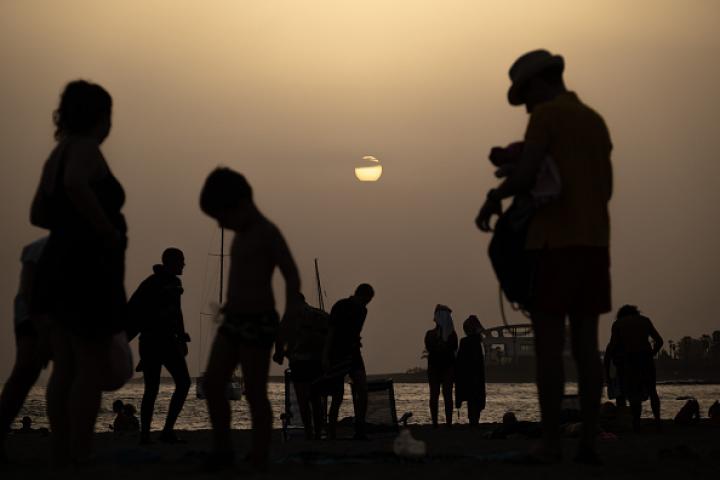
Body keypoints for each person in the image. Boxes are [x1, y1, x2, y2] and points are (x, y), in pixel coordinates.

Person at [476, 50, 613, 464]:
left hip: (552, 246)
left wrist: (494, 197)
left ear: (537, 85)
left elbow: (524, 174)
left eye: (526, 97)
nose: (527, 107)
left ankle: (551, 441)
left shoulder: (546, 118)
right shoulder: (594, 120)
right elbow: (606, 188)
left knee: (551, 348)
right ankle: (588, 440)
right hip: (594, 245)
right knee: (588, 349)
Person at [30, 80, 129, 467]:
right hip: (87, 270)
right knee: (88, 365)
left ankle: (62, 451)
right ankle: (80, 452)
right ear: (100, 116)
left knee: (65, 366)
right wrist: (103, 231)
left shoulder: (57, 153)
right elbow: (74, 185)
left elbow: (38, 214)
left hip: (58, 266)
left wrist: (70, 224)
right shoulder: (86, 148)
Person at [199, 168, 302, 472]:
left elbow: (291, 276)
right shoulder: (240, 236)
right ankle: (223, 448)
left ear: (241, 203)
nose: (220, 224)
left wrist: (288, 322)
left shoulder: (268, 232)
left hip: (259, 321)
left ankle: (259, 454)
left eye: (222, 216)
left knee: (255, 390)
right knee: (214, 382)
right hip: (233, 320)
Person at [127, 248, 191, 444]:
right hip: (151, 342)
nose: (184, 264)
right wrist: (125, 340)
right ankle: (145, 434)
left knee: (184, 383)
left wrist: (181, 337)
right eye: (181, 261)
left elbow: (177, 312)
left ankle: (167, 431)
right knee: (152, 389)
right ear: (171, 262)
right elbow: (133, 311)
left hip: (169, 342)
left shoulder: (175, 283)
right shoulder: (151, 284)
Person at [0, 237, 49, 463]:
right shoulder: (38, 250)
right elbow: (27, 293)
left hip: (58, 319)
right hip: (33, 318)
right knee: (25, 373)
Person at [322, 283, 375, 440]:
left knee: (363, 390)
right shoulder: (340, 306)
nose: (366, 304)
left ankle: (360, 429)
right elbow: (331, 332)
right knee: (337, 395)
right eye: (365, 300)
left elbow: (355, 332)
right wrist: (325, 356)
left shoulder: (363, 311)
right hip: (337, 353)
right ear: (359, 295)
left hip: (353, 353)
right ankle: (331, 431)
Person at [274, 294, 329, 439]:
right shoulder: (320, 314)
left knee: (303, 400)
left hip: (299, 363)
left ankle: (309, 432)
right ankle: (317, 432)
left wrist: (280, 354)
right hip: (317, 363)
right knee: (316, 400)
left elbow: (279, 337)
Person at [604, 305, 663, 431]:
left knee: (633, 393)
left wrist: (609, 367)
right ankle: (658, 421)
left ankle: (636, 423)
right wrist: (651, 354)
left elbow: (612, 346)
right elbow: (659, 341)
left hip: (629, 361)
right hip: (646, 360)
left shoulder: (618, 324)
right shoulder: (645, 321)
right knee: (652, 391)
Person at [424, 304, 458, 428]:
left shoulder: (451, 335)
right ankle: (437, 423)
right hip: (437, 368)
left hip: (445, 368)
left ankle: (445, 422)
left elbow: (451, 348)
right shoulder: (432, 334)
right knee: (437, 395)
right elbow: (432, 348)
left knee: (445, 395)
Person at [455, 315, 486, 427]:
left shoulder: (465, 342)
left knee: (471, 398)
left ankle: (473, 420)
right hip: (476, 375)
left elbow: (460, 361)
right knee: (475, 398)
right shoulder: (478, 342)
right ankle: (475, 420)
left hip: (468, 376)